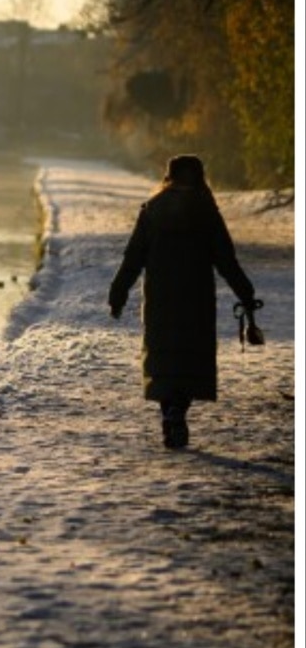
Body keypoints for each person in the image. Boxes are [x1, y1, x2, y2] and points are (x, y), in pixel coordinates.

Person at [108, 154, 258, 449]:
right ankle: (179, 409)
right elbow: (226, 260)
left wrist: (118, 293)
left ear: (169, 177)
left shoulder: (152, 210)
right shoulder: (206, 212)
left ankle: (170, 411)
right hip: (196, 298)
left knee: (164, 359)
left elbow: (133, 257)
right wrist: (246, 293)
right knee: (190, 359)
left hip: (161, 298)